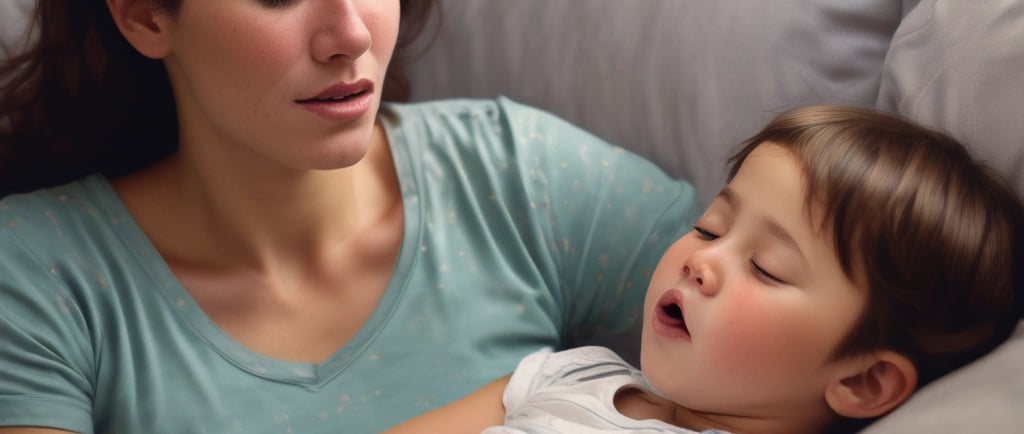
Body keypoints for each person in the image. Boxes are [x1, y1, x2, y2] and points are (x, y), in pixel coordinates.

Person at [0, 1, 700, 433]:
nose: (348, 34)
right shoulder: (36, 275)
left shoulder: (520, 179)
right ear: (145, 14)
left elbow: (797, 340)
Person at [383, 105, 1024, 434]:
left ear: (863, 382)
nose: (702, 259)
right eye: (710, 227)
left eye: (768, 269)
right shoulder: (573, 371)